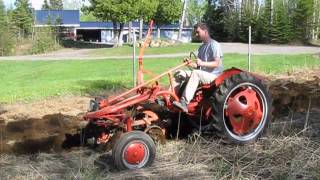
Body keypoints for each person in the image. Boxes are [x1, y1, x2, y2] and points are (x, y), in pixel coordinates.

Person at [173, 23, 224, 113]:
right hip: (203, 74)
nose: (196, 35)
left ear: (205, 32)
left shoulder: (214, 45)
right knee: (179, 73)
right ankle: (171, 99)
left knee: (196, 73)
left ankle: (184, 102)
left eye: (198, 32)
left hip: (214, 76)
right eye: (195, 33)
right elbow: (199, 66)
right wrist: (190, 63)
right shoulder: (201, 47)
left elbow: (217, 63)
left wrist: (201, 63)